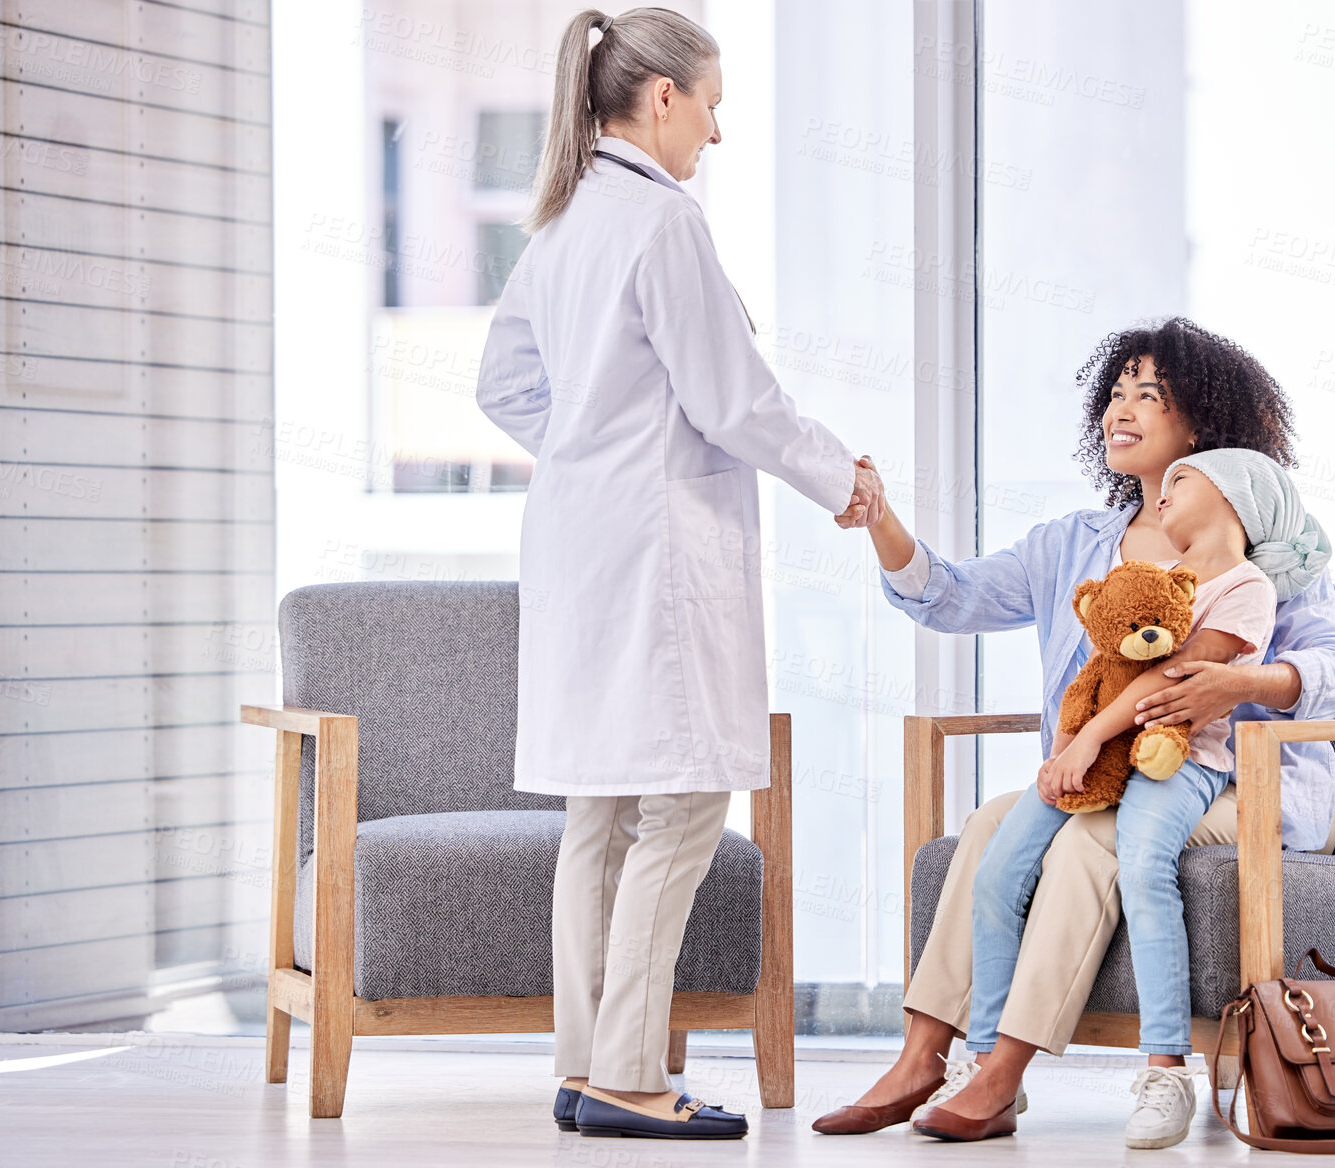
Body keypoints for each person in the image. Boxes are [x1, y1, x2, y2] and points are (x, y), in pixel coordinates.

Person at [475, 6, 883, 1141]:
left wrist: (591, 444)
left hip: (578, 542)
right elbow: (733, 400)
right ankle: (629, 1077)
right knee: (688, 799)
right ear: (662, 98)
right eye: (710, 105)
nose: (714, 131)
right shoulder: (662, 225)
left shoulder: (560, 223)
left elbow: (503, 386)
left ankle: (582, 1066)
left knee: (598, 807)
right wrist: (837, 479)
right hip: (653, 556)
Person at [812, 318, 1335, 1146]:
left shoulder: (1268, 555)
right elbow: (951, 596)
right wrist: (881, 518)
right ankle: (927, 1054)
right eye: (1115, 393)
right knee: (991, 824)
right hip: (1107, 768)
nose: (1119, 410)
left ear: (1201, 429)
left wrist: (1239, 683)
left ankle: (1002, 1075)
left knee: (1088, 840)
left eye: (1150, 394)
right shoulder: (1074, 544)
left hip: (1236, 781)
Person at [912, 447, 1325, 1146]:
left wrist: (1079, 741)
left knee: (1140, 868)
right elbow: (1107, 655)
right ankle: (983, 1062)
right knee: (998, 866)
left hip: (1178, 761)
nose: (1162, 493)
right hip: (1104, 751)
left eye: (1183, 481)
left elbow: (1163, 681)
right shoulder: (1160, 577)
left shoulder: (1246, 588)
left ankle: (1166, 1068)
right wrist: (1078, 737)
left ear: (1236, 500)